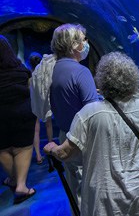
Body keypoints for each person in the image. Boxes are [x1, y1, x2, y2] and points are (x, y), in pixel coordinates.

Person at [44, 51, 139, 216]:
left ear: (102, 81)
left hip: (105, 197)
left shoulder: (88, 114)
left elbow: (65, 152)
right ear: (134, 78)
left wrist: (52, 148)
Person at [49, 23, 99, 211]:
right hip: (83, 142)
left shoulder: (55, 69)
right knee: (90, 192)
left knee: (74, 189)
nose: (86, 43)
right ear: (73, 44)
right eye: (82, 40)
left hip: (65, 135)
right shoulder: (81, 71)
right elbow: (93, 111)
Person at [0, 35, 36, 204]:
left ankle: (13, 179)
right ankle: (21, 185)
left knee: (3, 149)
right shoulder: (21, 70)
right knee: (23, 148)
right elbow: (30, 90)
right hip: (22, 113)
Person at [28, 52, 53, 165]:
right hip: (45, 103)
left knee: (36, 130)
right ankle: (51, 148)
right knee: (48, 125)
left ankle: (38, 155)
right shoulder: (45, 76)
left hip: (33, 105)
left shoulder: (30, 79)